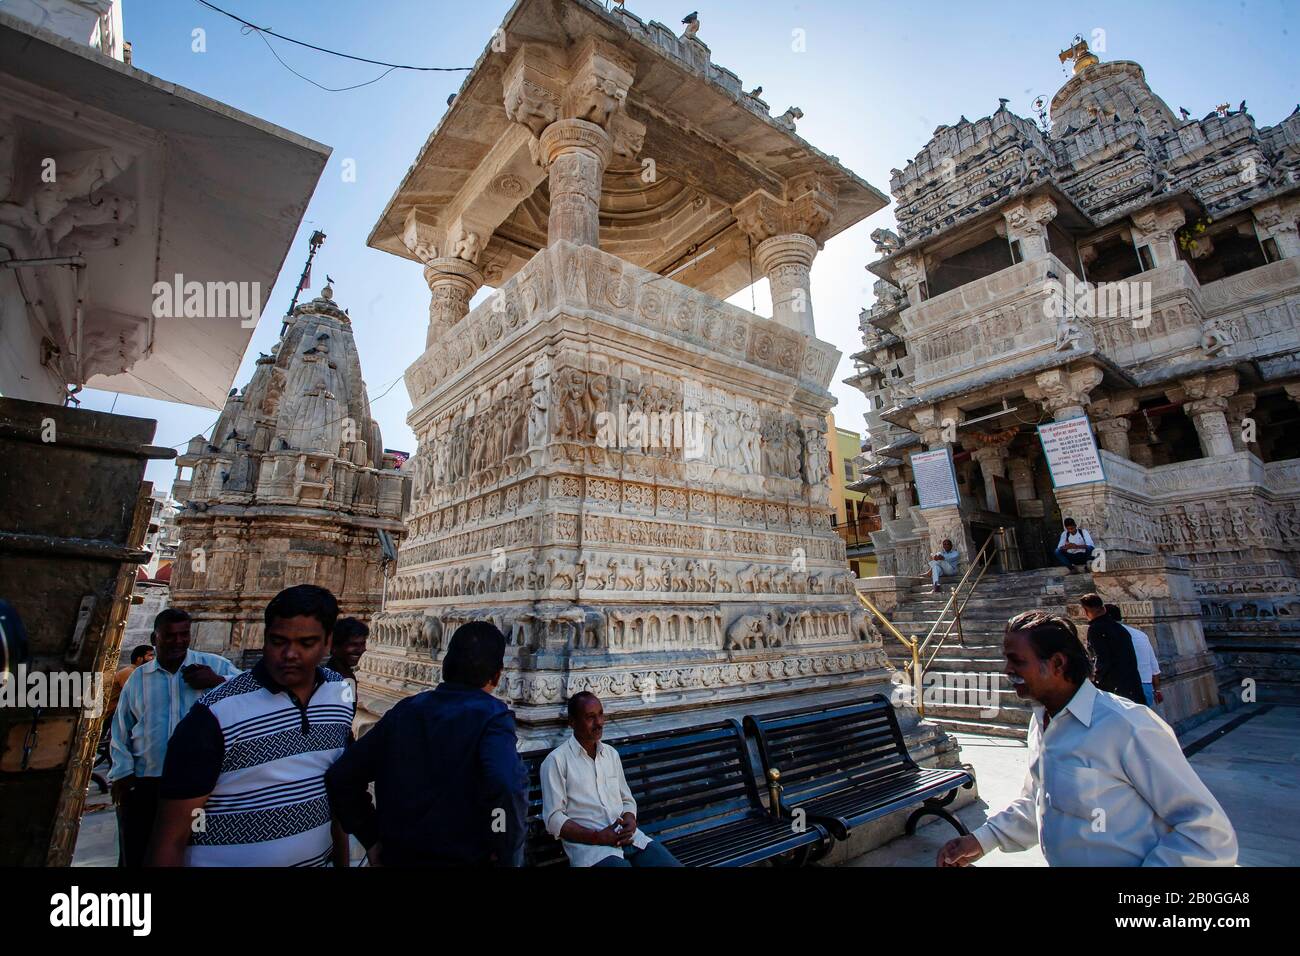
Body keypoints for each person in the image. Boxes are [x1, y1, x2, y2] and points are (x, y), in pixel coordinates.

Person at [937, 610, 1236, 867]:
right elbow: (1040, 800)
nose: (1008, 671)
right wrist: (981, 840)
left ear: (1057, 663)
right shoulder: (1042, 721)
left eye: (1017, 661)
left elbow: (1207, 835)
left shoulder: (1128, 726)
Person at [148, 585, 353, 866]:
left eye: (306, 643)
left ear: (328, 642)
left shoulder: (338, 694)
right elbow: (171, 837)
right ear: (265, 637)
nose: (290, 654)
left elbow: (334, 794)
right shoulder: (215, 714)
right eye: (279, 641)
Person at [325, 621, 527, 867]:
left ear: (444, 666)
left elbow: (342, 776)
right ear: (497, 675)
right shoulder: (491, 717)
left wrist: (372, 838)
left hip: (399, 856)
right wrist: (502, 841)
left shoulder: (406, 711)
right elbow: (505, 787)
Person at [108, 609, 238, 868]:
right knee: (138, 852)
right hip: (147, 781)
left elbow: (252, 691)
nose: (178, 641)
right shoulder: (138, 679)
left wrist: (217, 681)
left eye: (183, 635)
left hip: (200, 784)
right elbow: (122, 728)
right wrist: (122, 773)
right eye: (170, 635)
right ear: (154, 638)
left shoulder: (213, 666)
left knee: (195, 852)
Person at [541, 691, 683, 867]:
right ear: (572, 722)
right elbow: (553, 819)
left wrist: (630, 819)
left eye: (600, 714)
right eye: (590, 717)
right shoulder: (556, 761)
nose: (599, 723)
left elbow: (626, 800)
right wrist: (597, 837)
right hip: (593, 850)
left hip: (630, 840)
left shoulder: (610, 754)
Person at [1079, 593, 1146, 706]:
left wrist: (1095, 682)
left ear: (1086, 611)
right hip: (1132, 684)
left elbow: (1102, 659)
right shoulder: (1119, 627)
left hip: (1116, 689)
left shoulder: (1096, 629)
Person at [1106, 604, 1162, 707]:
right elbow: (1155, 669)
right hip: (1146, 686)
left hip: (1124, 689)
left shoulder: (1108, 636)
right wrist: (1157, 690)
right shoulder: (1141, 635)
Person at [106, 645, 154, 722]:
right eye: (150, 655)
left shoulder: (137, 673)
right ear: (139, 659)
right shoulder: (129, 672)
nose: (153, 659)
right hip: (108, 716)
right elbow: (134, 698)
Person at [326, 617, 368, 681]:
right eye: (353, 644)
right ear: (335, 647)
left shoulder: (346, 674)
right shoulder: (333, 679)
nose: (360, 650)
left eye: (362, 644)